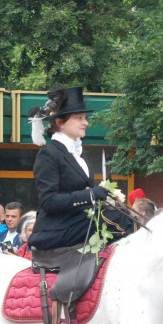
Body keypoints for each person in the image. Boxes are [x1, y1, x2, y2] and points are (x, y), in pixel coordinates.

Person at [28, 86, 132, 253]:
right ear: (60, 123)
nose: (86, 123)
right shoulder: (48, 153)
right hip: (57, 228)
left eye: (85, 118)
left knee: (127, 217)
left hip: (81, 222)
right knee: (118, 220)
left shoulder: (79, 152)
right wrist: (91, 194)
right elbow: (49, 201)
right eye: (79, 118)